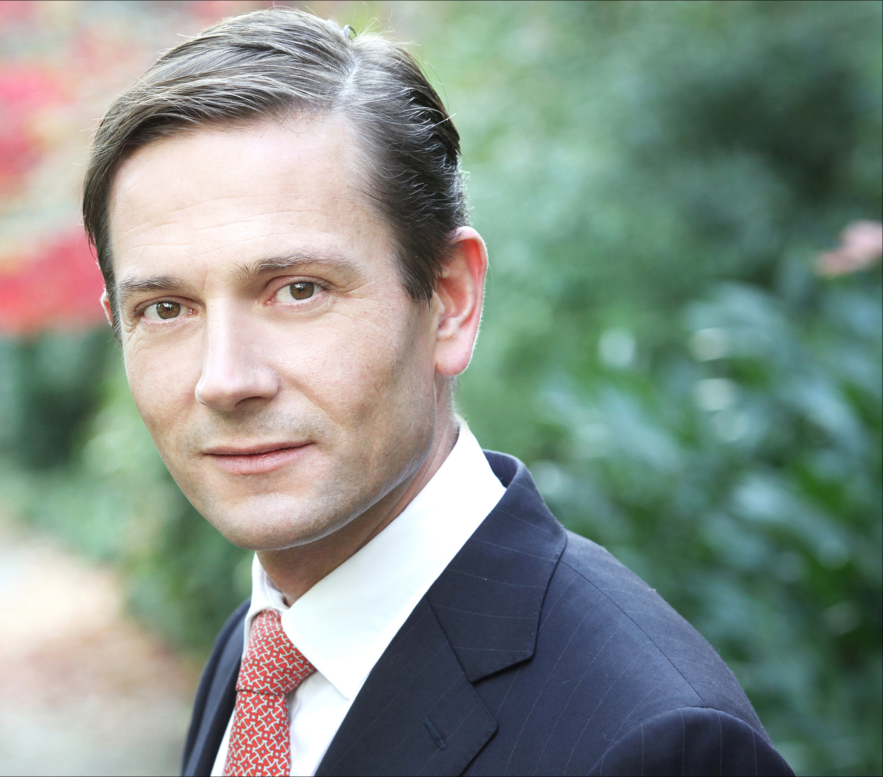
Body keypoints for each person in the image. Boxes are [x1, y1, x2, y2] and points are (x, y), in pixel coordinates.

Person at [81, 8, 793, 776]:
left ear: (449, 301)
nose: (225, 379)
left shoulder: (655, 744)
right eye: (166, 308)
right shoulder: (264, 647)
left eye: (298, 289)